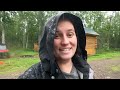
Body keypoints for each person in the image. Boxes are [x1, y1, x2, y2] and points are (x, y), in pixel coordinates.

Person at [18, 12, 94, 79]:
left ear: (77, 38)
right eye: (56, 36)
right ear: (48, 41)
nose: (65, 42)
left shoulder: (87, 72)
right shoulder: (35, 75)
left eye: (70, 34)